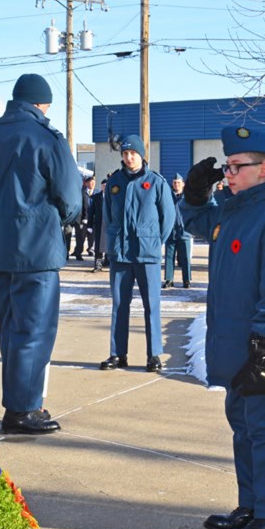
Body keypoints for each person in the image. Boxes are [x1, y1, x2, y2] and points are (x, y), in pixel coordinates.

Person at [180, 126, 265, 529]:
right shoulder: (233, 210)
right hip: (232, 339)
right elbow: (196, 221)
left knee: (263, 426)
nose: (228, 174)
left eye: (237, 166)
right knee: (242, 424)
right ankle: (251, 504)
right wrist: (196, 192)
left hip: (258, 342)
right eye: (227, 166)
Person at [0, 72, 82, 435]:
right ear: (42, 103)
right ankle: (23, 409)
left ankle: (19, 400)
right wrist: (60, 220)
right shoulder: (46, 138)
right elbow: (70, 196)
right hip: (36, 248)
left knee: (9, 329)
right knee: (34, 330)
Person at [99, 134, 175, 373]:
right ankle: (117, 354)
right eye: (125, 153)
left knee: (151, 304)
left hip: (147, 254)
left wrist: (153, 241)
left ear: (142, 155)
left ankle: (153, 355)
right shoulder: (115, 182)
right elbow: (108, 215)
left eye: (133, 153)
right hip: (120, 254)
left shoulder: (156, 182)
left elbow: (168, 217)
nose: (129, 157)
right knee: (119, 305)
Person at [162, 173, 192, 288]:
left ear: (183, 184)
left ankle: (187, 280)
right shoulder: (168, 196)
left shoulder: (188, 196)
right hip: (171, 230)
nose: (176, 185)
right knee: (169, 257)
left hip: (184, 231)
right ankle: (169, 279)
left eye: (179, 182)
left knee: (185, 257)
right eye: (175, 183)